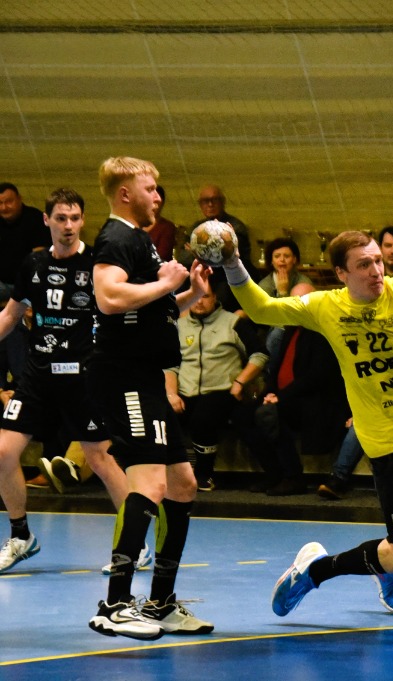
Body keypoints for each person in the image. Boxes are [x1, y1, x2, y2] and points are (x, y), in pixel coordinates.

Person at [220, 229, 393, 618]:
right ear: (341, 273)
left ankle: (388, 562)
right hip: (389, 442)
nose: (376, 270)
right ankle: (316, 571)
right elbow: (263, 308)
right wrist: (232, 262)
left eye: (378, 261)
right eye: (364, 264)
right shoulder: (325, 306)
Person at [87, 156, 214, 640]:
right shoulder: (116, 238)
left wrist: (188, 294)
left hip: (146, 377)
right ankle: (115, 604)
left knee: (183, 484)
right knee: (151, 483)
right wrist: (166, 282)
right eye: (150, 189)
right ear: (125, 194)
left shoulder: (140, 240)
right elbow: (109, 298)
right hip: (124, 377)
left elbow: (146, 313)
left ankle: (160, 603)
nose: (157, 197)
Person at [0, 189, 137, 574]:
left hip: (83, 377)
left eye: (75, 218)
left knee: (101, 458)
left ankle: (135, 541)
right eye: (61, 218)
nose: (68, 225)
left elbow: (119, 314)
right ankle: (21, 537)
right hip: (37, 375)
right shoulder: (33, 264)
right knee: (3, 452)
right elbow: (10, 316)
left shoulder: (97, 265)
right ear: (47, 220)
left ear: (83, 220)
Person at [236, 284, 347, 497]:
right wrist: (270, 393)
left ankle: (293, 477)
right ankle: (273, 473)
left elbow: (317, 376)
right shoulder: (290, 328)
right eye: (293, 301)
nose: (297, 306)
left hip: (314, 401)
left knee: (268, 414)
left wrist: (279, 397)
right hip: (287, 396)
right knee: (242, 415)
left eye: (302, 301)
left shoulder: (323, 331)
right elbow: (277, 368)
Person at [167, 283, 268, 492]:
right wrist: (171, 394)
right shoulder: (178, 326)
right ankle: (167, 474)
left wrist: (240, 382)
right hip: (185, 390)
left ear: (215, 298)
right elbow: (169, 365)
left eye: (205, 296)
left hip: (222, 390)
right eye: (195, 296)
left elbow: (260, 354)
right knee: (160, 414)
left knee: (202, 418)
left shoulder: (233, 323)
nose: (199, 302)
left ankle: (204, 474)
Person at [0, 182, 49, 390]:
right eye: (0, 203)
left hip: (27, 283)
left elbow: (38, 260)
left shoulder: (34, 219)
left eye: (8, 201)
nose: (4, 207)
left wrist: (27, 289)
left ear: (19, 199)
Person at [192, 183, 260, 282]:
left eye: (215, 200)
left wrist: (196, 251)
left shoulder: (236, 227)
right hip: (206, 275)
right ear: (200, 205)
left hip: (231, 277)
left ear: (223, 202)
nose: (210, 204)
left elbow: (225, 257)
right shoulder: (197, 227)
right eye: (205, 201)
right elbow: (184, 258)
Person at [145, 185, 177, 262]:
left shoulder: (167, 227)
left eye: (157, 202)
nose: (154, 205)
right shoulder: (134, 224)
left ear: (162, 203)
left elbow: (162, 255)